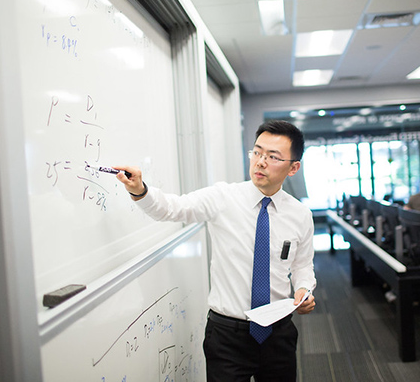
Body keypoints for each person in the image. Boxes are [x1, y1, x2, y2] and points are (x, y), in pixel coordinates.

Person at [116, 120, 316, 381]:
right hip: (227, 336)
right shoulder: (224, 197)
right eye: (257, 152)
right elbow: (172, 208)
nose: (260, 162)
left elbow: (302, 265)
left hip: (278, 333)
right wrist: (140, 191)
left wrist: (304, 289)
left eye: (273, 156)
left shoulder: (300, 214)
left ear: (293, 168)